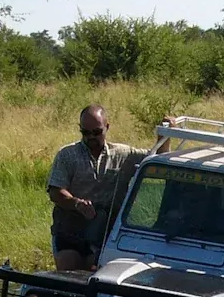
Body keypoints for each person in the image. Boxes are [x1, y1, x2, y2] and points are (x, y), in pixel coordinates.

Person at [46, 105, 172, 271]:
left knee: (99, 277)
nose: (91, 137)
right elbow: (55, 191)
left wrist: (165, 136)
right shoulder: (67, 155)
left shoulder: (123, 154)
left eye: (97, 132)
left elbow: (158, 160)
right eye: (86, 133)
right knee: (69, 273)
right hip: (70, 230)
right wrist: (77, 204)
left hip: (105, 234)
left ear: (107, 127)